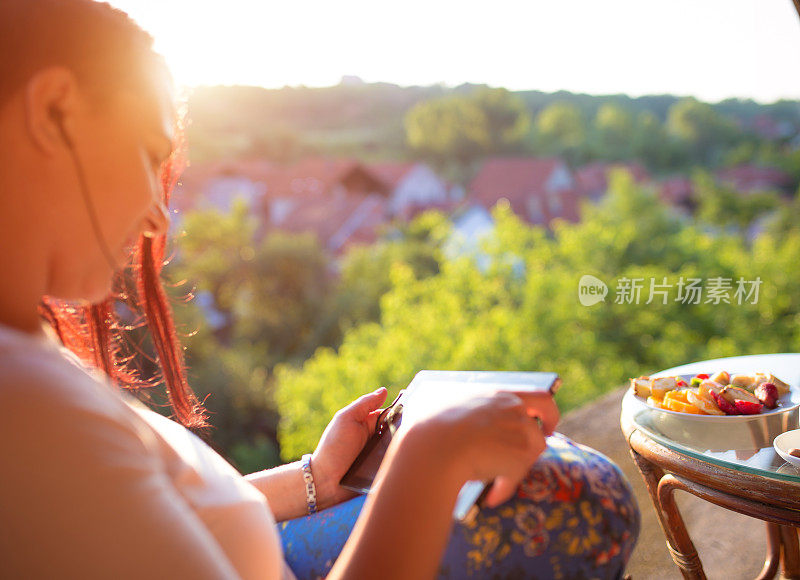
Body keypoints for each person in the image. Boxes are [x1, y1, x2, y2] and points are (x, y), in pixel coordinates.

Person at [0, 1, 639, 578]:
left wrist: (316, 478)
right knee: (580, 498)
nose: (156, 216)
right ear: (54, 112)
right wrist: (425, 458)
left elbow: (145, 514)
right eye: (145, 153)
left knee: (567, 487)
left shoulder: (29, 356)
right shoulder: (23, 406)